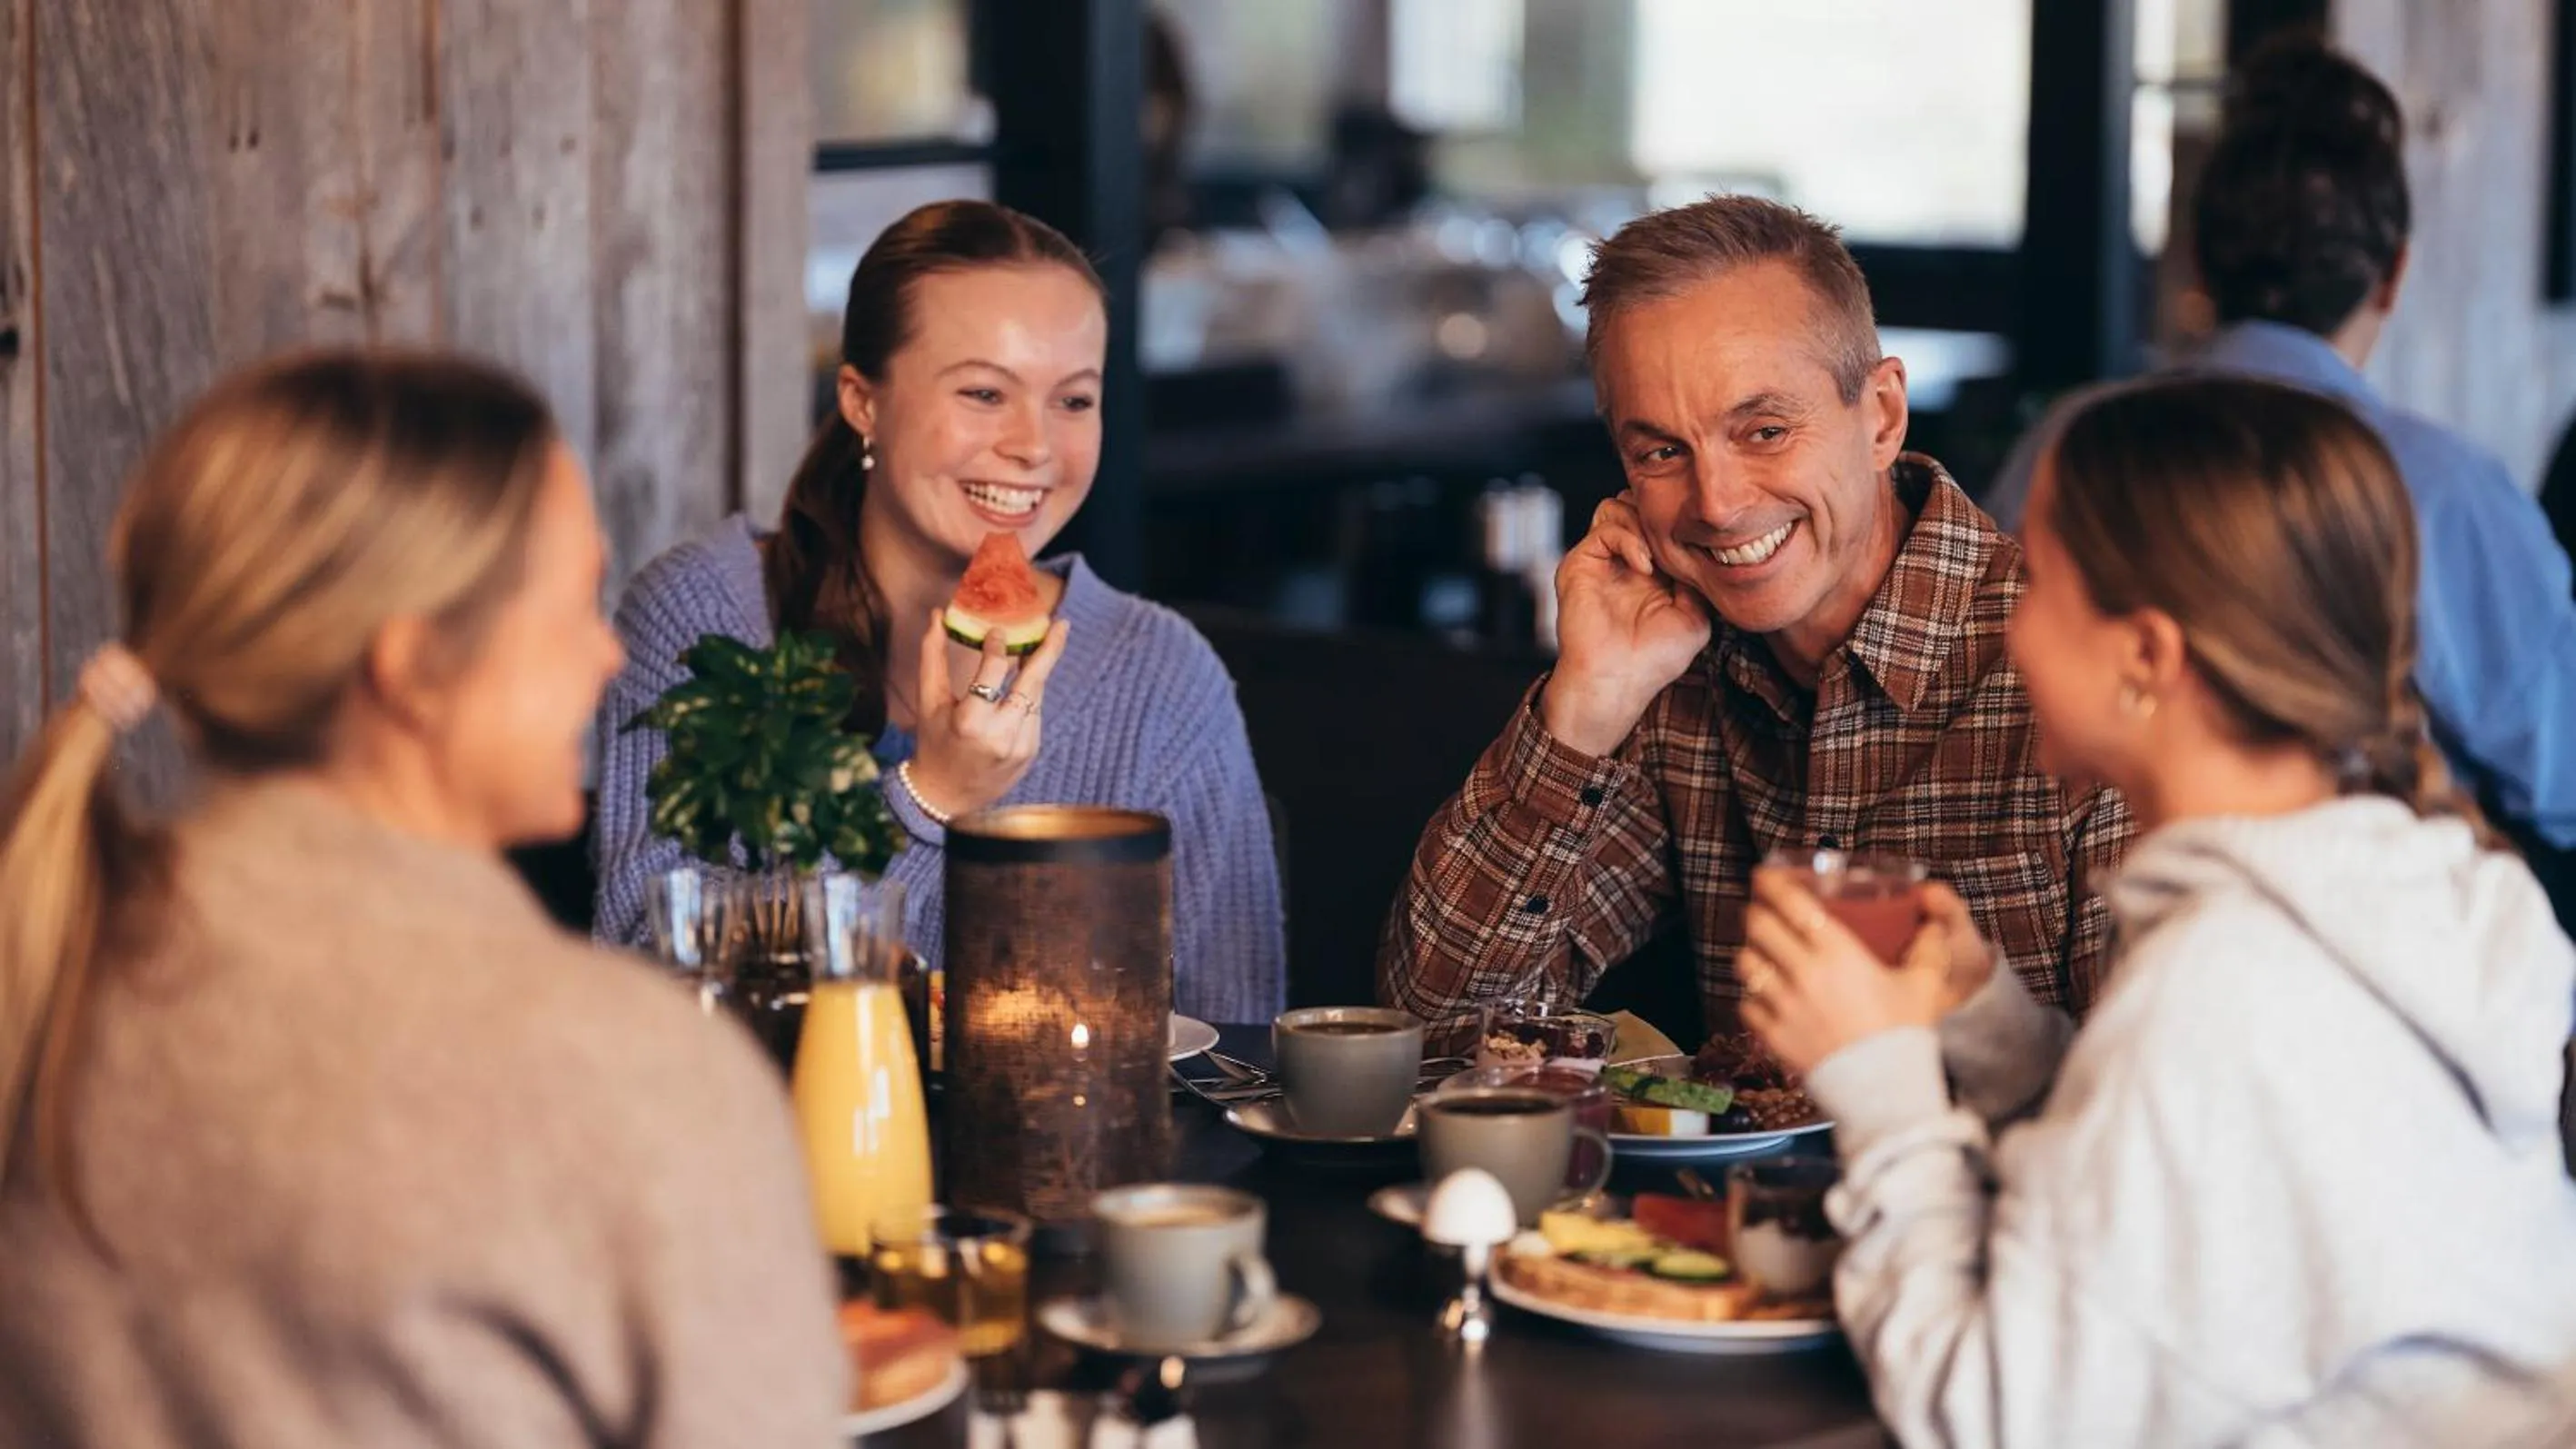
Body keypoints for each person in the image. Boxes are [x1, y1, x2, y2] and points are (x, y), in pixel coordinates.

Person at [0, 352, 847, 1446]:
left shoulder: (44, 973)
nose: (608, 653)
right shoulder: (627, 1077)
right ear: (410, 670)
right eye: (574, 606)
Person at [1744, 376, 2576, 1447]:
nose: (2010, 628)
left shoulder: (2227, 986)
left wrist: (1880, 1074)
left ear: (2146, 657)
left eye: (2038, 582)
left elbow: (1989, 1418)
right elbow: (2181, 1201)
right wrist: (1983, 1019)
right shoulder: (2384, 890)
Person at [1379, 195, 2133, 1038]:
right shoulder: (1668, 664)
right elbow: (1436, 1019)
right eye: (1662, 452)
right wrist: (1584, 705)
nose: (1718, 502)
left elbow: (2153, 1121)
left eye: (1765, 430)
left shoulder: (2086, 665)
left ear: (1881, 414)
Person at [593, 200, 1286, 1022]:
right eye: (986, 392)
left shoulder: (1161, 677)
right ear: (862, 401)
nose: (1033, 444)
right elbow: (647, 963)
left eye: (1073, 401)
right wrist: (929, 799)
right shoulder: (704, 617)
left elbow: (1234, 1043)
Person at [1984, 37, 2576, 852]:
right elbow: (2562, 776)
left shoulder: (2066, 448)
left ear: (2195, 261)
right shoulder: (2443, 488)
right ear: (2393, 274)